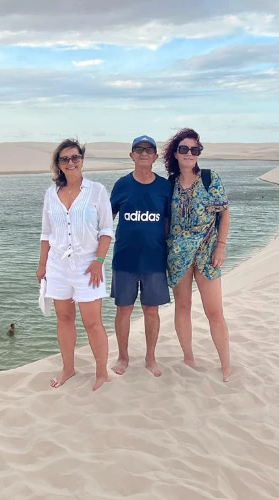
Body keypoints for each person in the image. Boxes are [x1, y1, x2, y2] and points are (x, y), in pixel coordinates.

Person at [36, 138, 114, 391]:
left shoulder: (97, 190)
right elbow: (46, 233)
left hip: (88, 266)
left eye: (75, 157)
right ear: (58, 164)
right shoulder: (51, 194)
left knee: (93, 323)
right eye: (65, 159)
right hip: (58, 266)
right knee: (64, 319)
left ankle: (101, 372)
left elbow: (106, 230)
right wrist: (42, 265)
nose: (71, 162)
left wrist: (98, 262)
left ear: (82, 160)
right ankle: (68, 368)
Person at [163, 128, 231, 382]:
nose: (189, 153)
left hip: (207, 252)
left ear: (199, 153)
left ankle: (226, 365)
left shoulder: (209, 179)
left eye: (194, 149)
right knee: (182, 307)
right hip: (178, 255)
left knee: (214, 311)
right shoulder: (169, 184)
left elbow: (224, 214)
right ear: (176, 153)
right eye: (184, 149)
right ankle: (188, 358)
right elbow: (165, 221)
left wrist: (221, 246)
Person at [110, 135, 172, 377]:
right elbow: (106, 221)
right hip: (124, 259)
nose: (144, 153)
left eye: (149, 149)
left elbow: (169, 221)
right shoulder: (121, 185)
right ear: (132, 155)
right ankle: (123, 357)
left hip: (155, 260)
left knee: (151, 310)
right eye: (139, 149)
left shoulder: (165, 187)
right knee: (123, 310)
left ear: (155, 156)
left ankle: (150, 358)